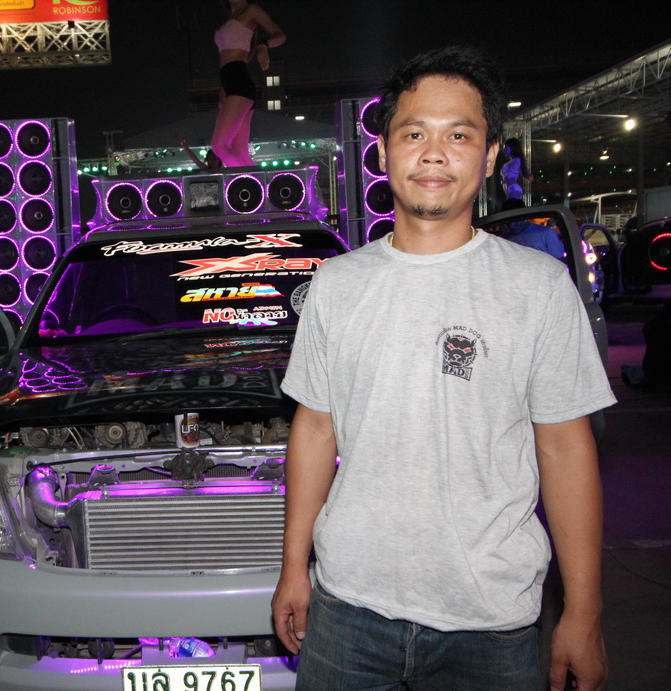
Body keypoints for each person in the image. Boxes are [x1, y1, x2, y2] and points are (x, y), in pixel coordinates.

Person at [271, 46, 615, 691]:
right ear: (382, 152)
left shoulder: (539, 287)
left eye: (459, 135)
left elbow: (566, 448)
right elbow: (315, 429)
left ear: (488, 156)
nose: (434, 154)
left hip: (491, 620)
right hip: (349, 607)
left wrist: (584, 610)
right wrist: (294, 566)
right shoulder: (336, 284)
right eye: (414, 134)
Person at [211, 0, 284, 167]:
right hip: (230, 82)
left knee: (219, 147)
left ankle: (251, 181)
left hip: (238, 80)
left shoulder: (251, 11)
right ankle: (257, 182)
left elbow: (280, 35)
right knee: (240, 151)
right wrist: (223, 88)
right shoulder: (231, 18)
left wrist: (263, 44)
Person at [501, 136, 532, 210]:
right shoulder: (512, 161)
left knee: (511, 210)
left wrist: (502, 181)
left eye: (506, 148)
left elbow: (509, 176)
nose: (504, 150)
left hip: (513, 188)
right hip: (510, 189)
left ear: (512, 148)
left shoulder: (517, 160)